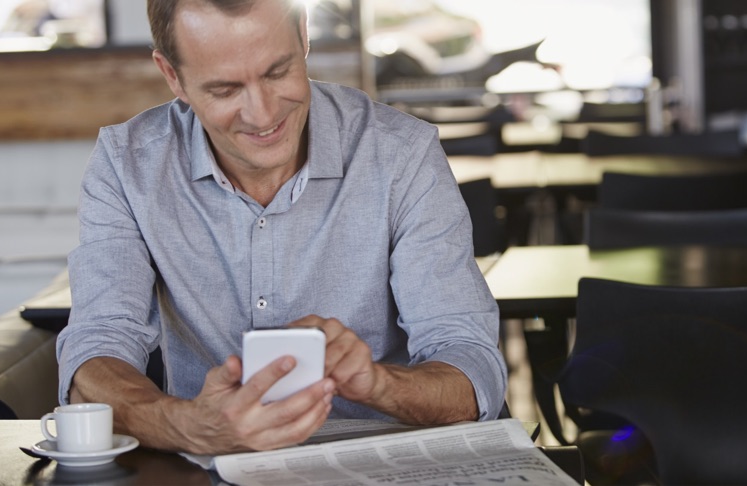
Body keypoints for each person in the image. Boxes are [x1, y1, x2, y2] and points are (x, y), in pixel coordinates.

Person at [56, 0, 506, 455]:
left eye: (277, 72)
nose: (262, 113)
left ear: (304, 34)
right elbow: (95, 353)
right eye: (225, 89)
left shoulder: (401, 154)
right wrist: (186, 425)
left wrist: (378, 384)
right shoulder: (126, 164)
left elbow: (473, 371)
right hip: (211, 468)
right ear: (173, 76)